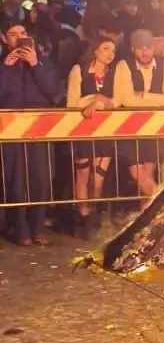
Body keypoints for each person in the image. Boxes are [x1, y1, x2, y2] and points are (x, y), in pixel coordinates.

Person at [0, 23, 63, 246]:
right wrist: (6, 68)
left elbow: (54, 92)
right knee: (15, 183)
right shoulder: (3, 65)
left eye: (23, 34)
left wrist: (35, 65)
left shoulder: (43, 63)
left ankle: (36, 228)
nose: (19, 38)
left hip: (38, 131)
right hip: (11, 133)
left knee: (41, 181)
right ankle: (20, 230)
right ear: (4, 39)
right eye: (13, 34)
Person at [113, 28, 164, 203]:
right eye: (140, 48)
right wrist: (156, 99)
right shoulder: (124, 66)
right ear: (133, 49)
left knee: (148, 174)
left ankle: (146, 218)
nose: (145, 52)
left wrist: (143, 96)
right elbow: (128, 100)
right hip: (129, 128)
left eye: (148, 47)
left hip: (155, 129)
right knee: (138, 174)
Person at [68, 37, 118, 230]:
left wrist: (101, 102)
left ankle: (93, 213)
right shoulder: (78, 70)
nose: (110, 54)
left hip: (104, 131)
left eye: (113, 50)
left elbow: (116, 101)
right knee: (83, 175)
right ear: (95, 50)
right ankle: (83, 215)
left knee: (98, 178)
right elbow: (72, 103)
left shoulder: (113, 75)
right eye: (106, 48)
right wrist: (93, 99)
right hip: (82, 128)